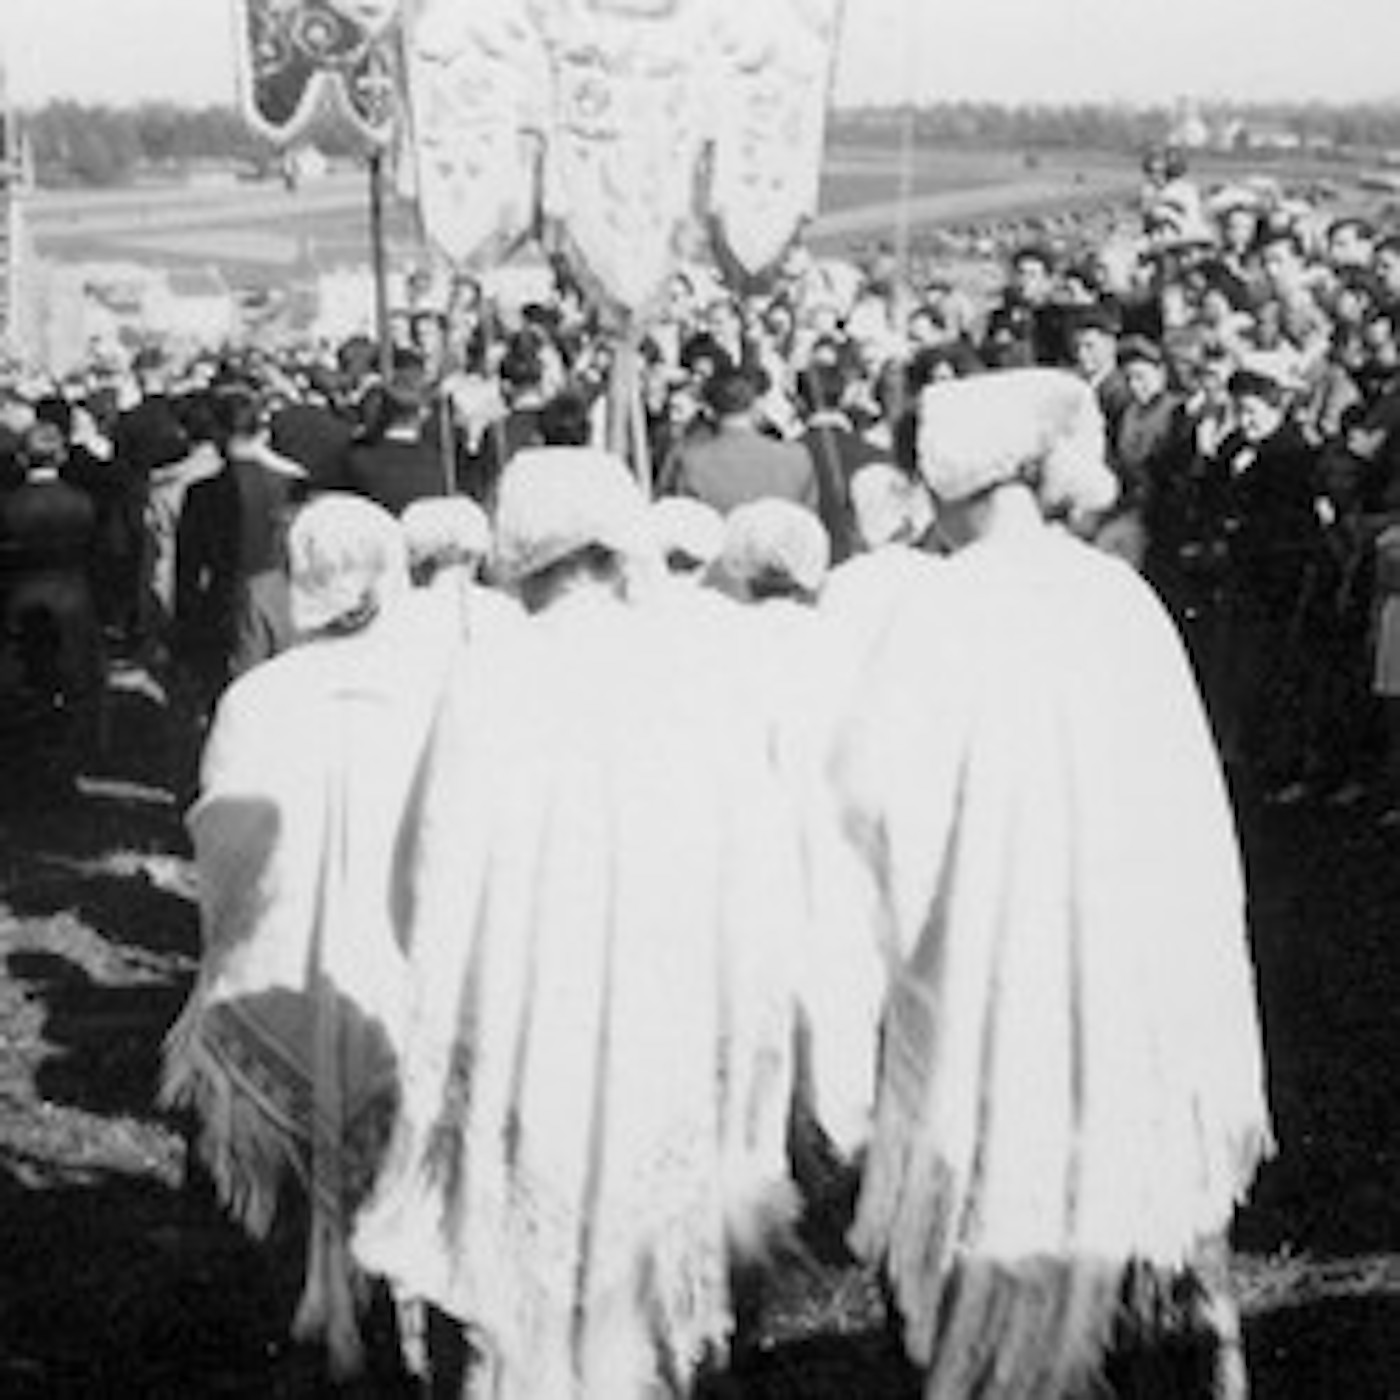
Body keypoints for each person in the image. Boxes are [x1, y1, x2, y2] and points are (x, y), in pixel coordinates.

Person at [824, 370, 1272, 1399]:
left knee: (1003, 1155)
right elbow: (1188, 794)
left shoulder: (938, 608)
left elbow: (874, 800)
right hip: (1129, 936)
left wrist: (890, 945)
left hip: (993, 943)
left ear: (954, 483)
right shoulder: (1119, 598)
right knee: (1124, 1159)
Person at [353, 447, 817, 1399]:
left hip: (529, 1002)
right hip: (667, 994)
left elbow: (426, 866)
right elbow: (755, 856)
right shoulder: (695, 666)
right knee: (650, 1227)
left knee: (529, 1223)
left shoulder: (492, 672)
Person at [161, 495, 457, 1379]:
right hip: (402, 987)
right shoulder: (438, 690)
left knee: (282, 1223)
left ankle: (303, 1326)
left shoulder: (256, 698)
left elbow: (223, 843)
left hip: (276, 974)